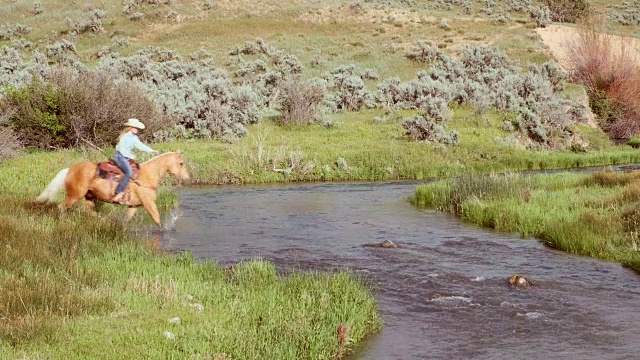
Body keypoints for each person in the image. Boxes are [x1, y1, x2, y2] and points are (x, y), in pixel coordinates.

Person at [111, 118, 157, 203]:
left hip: (126, 157)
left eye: (137, 128)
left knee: (137, 170)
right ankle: (118, 191)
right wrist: (131, 156)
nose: (137, 129)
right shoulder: (124, 136)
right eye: (135, 127)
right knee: (129, 172)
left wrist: (151, 151)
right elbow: (122, 150)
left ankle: (131, 193)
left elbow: (141, 146)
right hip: (119, 156)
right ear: (130, 128)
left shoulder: (134, 137)